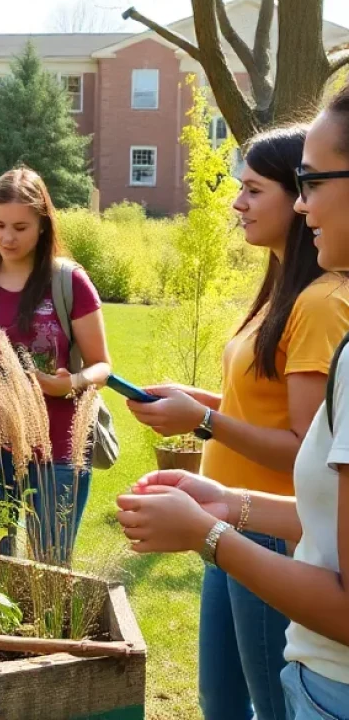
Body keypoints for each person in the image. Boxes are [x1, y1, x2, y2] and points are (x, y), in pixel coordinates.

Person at [117, 83, 349, 720]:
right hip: (240, 517)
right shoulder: (284, 292)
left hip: (273, 538)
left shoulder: (324, 303)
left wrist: (207, 423)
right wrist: (204, 410)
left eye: (256, 190)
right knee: (222, 700)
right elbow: (276, 407)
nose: (237, 204)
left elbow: (309, 444)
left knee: (268, 703)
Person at [0, 167, 111, 562]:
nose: (7, 237)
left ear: (43, 226)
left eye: (20, 227)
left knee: (48, 568)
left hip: (58, 449)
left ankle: (43, 629)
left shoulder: (69, 282)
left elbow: (102, 366)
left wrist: (64, 384)